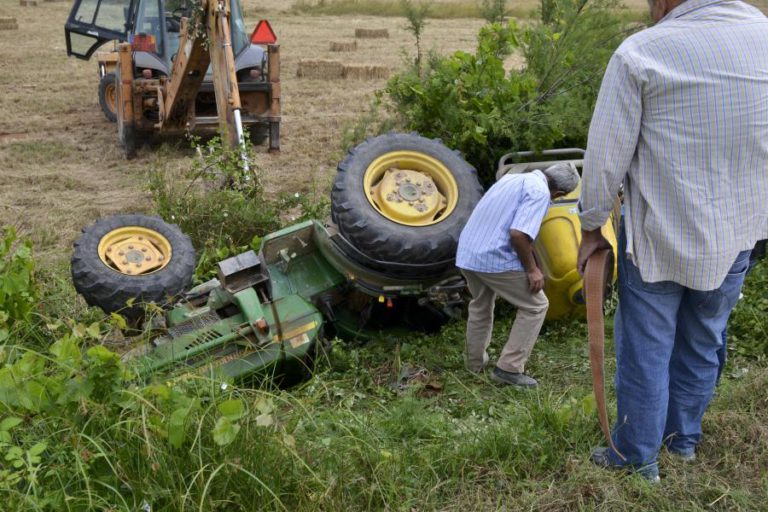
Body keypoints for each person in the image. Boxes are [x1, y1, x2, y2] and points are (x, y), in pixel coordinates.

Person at [577, 0, 768, 483]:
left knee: (647, 347)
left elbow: (603, 157)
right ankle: (680, 441)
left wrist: (591, 225)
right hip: (738, 230)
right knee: (704, 339)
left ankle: (638, 457)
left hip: (660, 237)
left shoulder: (641, 52)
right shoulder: (763, 34)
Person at [456, 164, 579, 388]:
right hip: (492, 257)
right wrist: (532, 270)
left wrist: (536, 265)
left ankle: (473, 364)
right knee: (537, 306)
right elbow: (519, 234)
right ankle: (509, 369)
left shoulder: (512, 179)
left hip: (468, 253)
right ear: (559, 194)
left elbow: (519, 232)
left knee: (481, 305)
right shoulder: (540, 193)